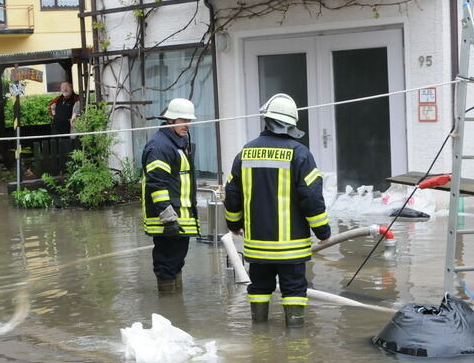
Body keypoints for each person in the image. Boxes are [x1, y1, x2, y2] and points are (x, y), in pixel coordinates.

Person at [223, 93, 331, 327]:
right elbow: (312, 197)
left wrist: (233, 224)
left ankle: (259, 339)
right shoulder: (300, 153)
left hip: (257, 247)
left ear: (267, 120)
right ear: (291, 123)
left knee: (259, 288)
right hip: (291, 249)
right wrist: (323, 232)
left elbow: (232, 194)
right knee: (294, 290)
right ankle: (295, 347)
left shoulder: (246, 152)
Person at [141, 98, 200, 294]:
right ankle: (168, 306)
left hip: (179, 214)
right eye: (183, 120)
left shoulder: (175, 142)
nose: (187, 125)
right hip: (168, 216)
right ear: (171, 120)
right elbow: (156, 184)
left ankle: (175, 304)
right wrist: (168, 218)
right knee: (167, 263)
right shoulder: (160, 146)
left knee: (176, 261)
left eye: (189, 121)